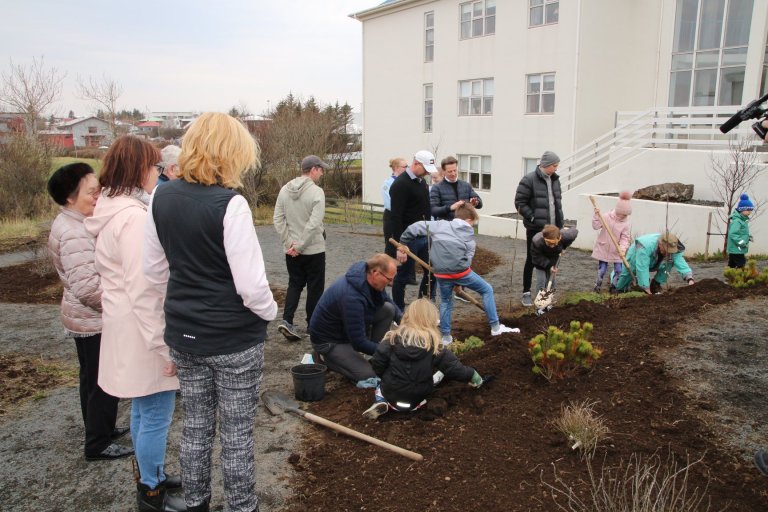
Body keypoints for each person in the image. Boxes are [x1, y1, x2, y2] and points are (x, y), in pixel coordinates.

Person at [144, 112, 277, 512]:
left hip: (184, 335)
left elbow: (153, 271)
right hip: (233, 339)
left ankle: (196, 503)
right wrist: (269, 313)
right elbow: (251, 287)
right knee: (236, 434)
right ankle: (241, 507)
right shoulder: (230, 204)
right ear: (231, 153)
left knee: (196, 426)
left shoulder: (159, 196)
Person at [84, 136, 184, 512]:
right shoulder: (132, 218)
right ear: (138, 168)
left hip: (125, 325)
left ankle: (149, 473)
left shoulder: (112, 209)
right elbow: (145, 289)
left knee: (144, 408)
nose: (157, 173)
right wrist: (164, 345)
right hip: (143, 329)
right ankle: (152, 491)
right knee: (157, 410)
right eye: (154, 166)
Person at [46, 163, 133, 462]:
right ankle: (97, 443)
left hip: (85, 318)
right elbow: (85, 288)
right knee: (101, 381)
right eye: (92, 193)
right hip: (93, 319)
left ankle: (103, 430)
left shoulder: (75, 222)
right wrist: (117, 308)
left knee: (92, 379)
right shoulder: (73, 232)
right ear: (70, 197)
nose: (98, 198)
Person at [397, 204, 517, 345]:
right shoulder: (469, 236)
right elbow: (467, 260)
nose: (472, 226)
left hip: (441, 274)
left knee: (446, 302)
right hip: (461, 272)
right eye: (473, 223)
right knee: (486, 289)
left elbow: (415, 227)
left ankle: (446, 337)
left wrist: (403, 243)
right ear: (468, 220)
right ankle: (496, 327)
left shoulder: (439, 225)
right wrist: (459, 280)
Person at [362, 298, 485, 420]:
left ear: (407, 316)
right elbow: (455, 369)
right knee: (437, 376)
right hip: (417, 399)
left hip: (391, 395)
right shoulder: (435, 346)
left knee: (380, 386)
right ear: (432, 320)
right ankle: (423, 404)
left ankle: (381, 401)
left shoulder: (391, 339)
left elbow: (377, 363)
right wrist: (473, 375)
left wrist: (386, 377)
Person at [310, 254, 402, 388]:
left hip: (346, 330)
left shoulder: (368, 278)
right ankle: (325, 359)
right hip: (329, 341)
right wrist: (388, 353)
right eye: (389, 279)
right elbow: (359, 342)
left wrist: (403, 319)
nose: (391, 283)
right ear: (375, 273)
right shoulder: (352, 297)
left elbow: (386, 299)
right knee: (369, 375)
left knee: (387, 309)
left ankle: (373, 356)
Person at [273, 154, 328, 341]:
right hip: (313, 249)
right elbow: (314, 223)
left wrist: (290, 243)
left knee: (295, 284)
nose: (321, 173)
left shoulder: (284, 190)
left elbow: (278, 219)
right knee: (315, 287)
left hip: (291, 251)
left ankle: (287, 320)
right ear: (313, 169)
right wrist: (301, 244)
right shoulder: (316, 192)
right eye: (321, 169)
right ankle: (312, 325)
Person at [514, 150, 564, 307]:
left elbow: (557, 203)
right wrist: (533, 218)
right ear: (547, 165)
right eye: (555, 166)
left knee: (552, 262)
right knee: (531, 259)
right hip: (536, 229)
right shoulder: (529, 180)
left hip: (553, 231)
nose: (556, 168)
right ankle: (526, 293)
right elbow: (520, 202)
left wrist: (560, 224)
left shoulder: (555, 180)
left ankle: (546, 296)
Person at [389, 150, 435, 309]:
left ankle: (423, 308)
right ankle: (398, 311)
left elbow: (426, 209)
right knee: (402, 277)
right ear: (416, 164)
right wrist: (400, 246)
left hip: (424, 237)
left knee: (432, 272)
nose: (428, 173)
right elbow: (395, 217)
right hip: (408, 240)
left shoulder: (421, 182)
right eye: (426, 169)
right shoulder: (400, 185)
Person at [614, 232, 695, 294]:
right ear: (660, 245)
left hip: (656, 261)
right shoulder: (645, 246)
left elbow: (680, 262)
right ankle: (617, 288)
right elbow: (642, 268)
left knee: (669, 262)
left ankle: (656, 284)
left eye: (671, 251)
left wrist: (690, 279)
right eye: (667, 251)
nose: (668, 253)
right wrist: (646, 288)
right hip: (635, 256)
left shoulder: (674, 247)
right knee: (626, 275)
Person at [530, 224, 579, 314]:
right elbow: (536, 257)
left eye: (554, 243)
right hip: (540, 261)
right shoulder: (537, 241)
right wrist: (549, 266)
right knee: (541, 281)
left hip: (553, 259)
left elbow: (575, 231)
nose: (552, 246)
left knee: (551, 281)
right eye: (549, 243)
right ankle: (539, 307)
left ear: (559, 238)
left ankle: (548, 303)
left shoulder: (567, 236)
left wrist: (564, 246)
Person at [591, 191, 632, 293]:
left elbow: (625, 238)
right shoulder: (606, 217)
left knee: (619, 270)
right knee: (602, 270)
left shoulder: (625, 224)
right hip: (603, 247)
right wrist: (597, 216)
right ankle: (597, 287)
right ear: (618, 211)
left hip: (617, 251)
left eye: (626, 215)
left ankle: (613, 287)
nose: (624, 216)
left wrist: (622, 249)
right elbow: (595, 226)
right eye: (623, 214)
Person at [429, 155, 482, 221]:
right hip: (446, 227)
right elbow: (433, 210)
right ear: (443, 171)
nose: (453, 173)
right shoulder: (436, 188)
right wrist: (450, 208)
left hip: (465, 225)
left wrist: (476, 202)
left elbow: (480, 204)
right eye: (450, 171)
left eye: (455, 170)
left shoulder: (466, 185)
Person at [382, 158, 408, 258]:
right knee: (392, 245)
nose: (407, 169)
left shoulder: (407, 181)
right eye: (405, 167)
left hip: (404, 216)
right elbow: (390, 203)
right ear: (396, 168)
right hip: (392, 216)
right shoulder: (388, 183)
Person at [726, 193, 754, 269]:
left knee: (732, 264)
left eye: (751, 210)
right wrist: (742, 243)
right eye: (748, 210)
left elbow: (742, 233)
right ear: (742, 209)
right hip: (737, 248)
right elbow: (733, 234)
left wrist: (748, 237)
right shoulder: (737, 221)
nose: (750, 212)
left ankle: (730, 277)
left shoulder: (742, 221)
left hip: (736, 248)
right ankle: (738, 278)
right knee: (741, 264)